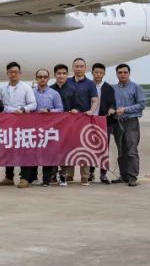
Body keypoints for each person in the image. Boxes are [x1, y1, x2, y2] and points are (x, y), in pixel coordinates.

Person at [0, 62, 37, 187]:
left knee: (24, 150)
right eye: (10, 72)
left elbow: (33, 104)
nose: (13, 74)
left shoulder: (26, 87)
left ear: (20, 73)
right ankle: (9, 177)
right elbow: (1, 106)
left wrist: (23, 109)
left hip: (23, 123)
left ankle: (24, 177)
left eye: (15, 72)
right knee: (8, 149)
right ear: (7, 73)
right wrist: (9, 110)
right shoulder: (3, 89)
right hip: (8, 123)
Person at [66, 57, 100, 185]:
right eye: (76, 66)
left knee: (84, 147)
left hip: (85, 118)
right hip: (69, 119)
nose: (79, 68)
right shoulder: (67, 82)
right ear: (73, 68)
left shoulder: (90, 84)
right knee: (69, 146)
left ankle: (85, 176)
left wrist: (92, 110)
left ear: (85, 68)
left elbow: (95, 99)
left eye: (81, 66)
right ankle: (69, 175)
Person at [112, 63, 146, 187]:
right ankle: (123, 175)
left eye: (125, 72)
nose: (122, 74)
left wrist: (125, 109)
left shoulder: (136, 88)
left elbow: (142, 104)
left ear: (129, 73)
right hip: (118, 122)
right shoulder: (113, 89)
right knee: (121, 151)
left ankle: (132, 177)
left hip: (131, 122)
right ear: (116, 74)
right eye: (120, 72)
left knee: (131, 150)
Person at [28, 69, 64, 187]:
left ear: (48, 78)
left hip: (49, 129)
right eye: (40, 77)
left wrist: (49, 111)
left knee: (48, 154)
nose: (42, 79)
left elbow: (60, 109)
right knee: (33, 153)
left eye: (44, 77)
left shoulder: (54, 93)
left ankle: (46, 179)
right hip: (33, 128)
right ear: (36, 78)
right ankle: (32, 178)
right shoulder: (31, 92)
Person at [91, 62, 118, 184]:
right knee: (88, 147)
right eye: (96, 72)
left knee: (104, 149)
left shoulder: (108, 88)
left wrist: (112, 108)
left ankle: (103, 174)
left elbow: (113, 102)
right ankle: (90, 173)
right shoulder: (87, 86)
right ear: (92, 73)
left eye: (101, 72)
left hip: (104, 122)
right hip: (89, 121)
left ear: (104, 74)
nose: (98, 74)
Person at [50, 64, 75, 184]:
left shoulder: (72, 89)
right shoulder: (50, 89)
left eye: (64, 73)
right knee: (52, 150)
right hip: (53, 126)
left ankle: (63, 175)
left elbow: (78, 105)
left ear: (67, 75)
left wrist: (76, 110)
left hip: (67, 126)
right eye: (59, 73)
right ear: (55, 75)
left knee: (65, 151)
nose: (61, 76)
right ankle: (52, 174)